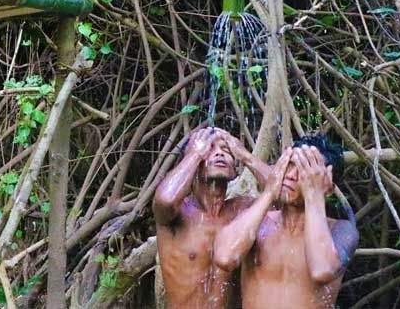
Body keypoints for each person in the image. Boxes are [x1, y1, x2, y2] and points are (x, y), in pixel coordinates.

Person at [212, 134, 360, 309]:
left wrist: (314, 195)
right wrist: (269, 192)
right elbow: (224, 257)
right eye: (289, 165)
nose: (290, 175)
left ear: (327, 186)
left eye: (304, 172)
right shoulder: (259, 222)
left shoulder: (341, 230)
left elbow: (322, 270)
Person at [152, 127, 272, 309]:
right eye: (209, 149)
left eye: (226, 150)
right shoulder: (176, 213)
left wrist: (245, 155)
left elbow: (285, 193)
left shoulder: (242, 210)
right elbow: (165, 199)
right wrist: (195, 153)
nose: (219, 154)